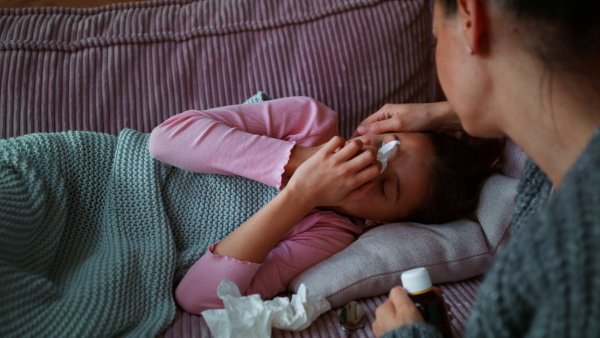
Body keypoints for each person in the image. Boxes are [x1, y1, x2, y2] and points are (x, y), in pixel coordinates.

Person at [360, 0, 600, 337]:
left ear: (471, 17)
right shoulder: (561, 174)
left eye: (436, 39)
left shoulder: (578, 259)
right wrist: (448, 112)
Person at [148, 96, 503, 314]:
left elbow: (199, 298)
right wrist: (303, 159)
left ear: (382, 224)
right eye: (386, 144)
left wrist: (302, 196)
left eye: (383, 187)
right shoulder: (308, 121)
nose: (369, 161)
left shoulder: (328, 237)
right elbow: (164, 140)